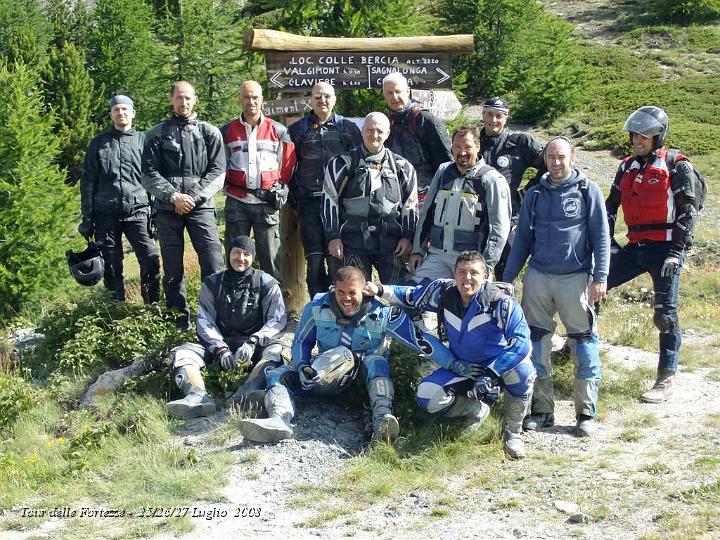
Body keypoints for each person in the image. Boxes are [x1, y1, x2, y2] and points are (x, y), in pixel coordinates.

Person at [238, 265, 450, 444]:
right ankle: (279, 419)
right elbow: (302, 341)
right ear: (333, 289)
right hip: (324, 374)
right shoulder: (316, 307)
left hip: (364, 381)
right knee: (279, 374)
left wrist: (454, 364)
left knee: (376, 360)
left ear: (364, 290)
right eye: (341, 292)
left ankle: (382, 421)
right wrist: (302, 365)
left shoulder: (383, 312)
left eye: (352, 293)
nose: (346, 299)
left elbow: (419, 341)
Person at [367, 251, 535, 459]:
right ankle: (475, 409)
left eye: (474, 272)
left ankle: (513, 431)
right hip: (463, 366)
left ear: (485, 276)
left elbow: (521, 343)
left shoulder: (501, 302)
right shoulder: (443, 292)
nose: (467, 278)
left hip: (498, 366)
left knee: (524, 372)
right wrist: (380, 289)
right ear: (454, 274)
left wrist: (492, 374)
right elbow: (411, 296)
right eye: (462, 272)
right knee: (426, 395)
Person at [503, 136, 610, 437]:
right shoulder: (535, 195)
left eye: (561, 156)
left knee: (584, 342)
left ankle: (585, 413)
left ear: (572, 158)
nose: (556, 162)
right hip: (538, 277)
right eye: (551, 157)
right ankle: (541, 410)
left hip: (575, 277)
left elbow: (601, 237)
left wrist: (600, 277)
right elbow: (522, 238)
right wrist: (508, 278)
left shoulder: (589, 191)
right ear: (546, 160)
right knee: (535, 345)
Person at [606, 106, 701, 404]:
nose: (638, 139)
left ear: (658, 135)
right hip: (636, 246)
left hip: (666, 248)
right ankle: (576, 347)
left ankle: (666, 376)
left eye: (645, 134)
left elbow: (688, 212)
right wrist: (607, 243)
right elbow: (609, 208)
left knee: (665, 314)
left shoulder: (677, 165)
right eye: (635, 134)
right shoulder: (625, 167)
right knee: (592, 287)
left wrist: (677, 252)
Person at [166, 235, 287, 419]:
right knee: (183, 353)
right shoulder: (212, 283)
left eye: (246, 254)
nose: (241, 258)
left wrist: (254, 341)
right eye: (236, 252)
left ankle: (247, 392)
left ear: (253, 258)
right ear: (228, 254)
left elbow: (277, 320)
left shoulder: (266, 283)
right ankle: (197, 396)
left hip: (254, 348)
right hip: (219, 348)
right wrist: (220, 348)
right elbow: (204, 320)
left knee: (277, 352)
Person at [142, 81, 226, 329]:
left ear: (195, 99)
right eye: (179, 97)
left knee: (212, 262)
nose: (184, 102)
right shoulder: (156, 134)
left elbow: (218, 171)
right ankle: (177, 321)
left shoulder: (209, 132)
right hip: (168, 210)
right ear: (171, 100)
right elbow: (148, 173)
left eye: (188, 98)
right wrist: (173, 196)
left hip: (201, 207)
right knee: (172, 266)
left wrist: (192, 197)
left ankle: (214, 317)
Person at [79, 94, 160, 304]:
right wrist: (87, 218)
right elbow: (88, 181)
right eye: (116, 110)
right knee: (112, 266)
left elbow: (154, 177)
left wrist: (157, 213)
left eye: (125, 109)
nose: (121, 113)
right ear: (110, 115)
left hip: (139, 211)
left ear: (133, 113)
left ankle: (152, 309)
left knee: (150, 260)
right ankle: (117, 313)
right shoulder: (98, 143)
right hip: (105, 214)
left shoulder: (146, 141)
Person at [322, 112, 418, 284]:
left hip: (392, 239)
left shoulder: (403, 167)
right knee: (354, 292)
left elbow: (410, 204)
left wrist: (408, 236)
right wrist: (333, 236)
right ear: (361, 131)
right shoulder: (341, 164)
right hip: (352, 238)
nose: (374, 135)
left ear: (388, 134)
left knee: (400, 293)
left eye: (380, 131)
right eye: (369, 130)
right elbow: (329, 201)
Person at [288, 82, 362, 298]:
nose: (322, 101)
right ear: (310, 100)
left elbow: (359, 166)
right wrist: (295, 198)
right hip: (309, 204)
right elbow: (288, 168)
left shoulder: (348, 129)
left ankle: (341, 309)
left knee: (338, 260)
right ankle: (319, 312)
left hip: (340, 205)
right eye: (318, 97)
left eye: (327, 96)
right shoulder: (297, 130)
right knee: (314, 262)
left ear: (334, 99)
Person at [409, 125, 511, 281]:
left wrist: (486, 266)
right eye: (457, 147)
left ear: (478, 147)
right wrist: (417, 250)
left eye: (468, 147)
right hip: (438, 256)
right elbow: (427, 213)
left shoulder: (492, 180)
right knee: (414, 295)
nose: (462, 152)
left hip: (471, 261)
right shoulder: (443, 172)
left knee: (469, 304)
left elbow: (499, 228)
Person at [220, 80, 296, 282]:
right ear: (240, 99)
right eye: (246, 97)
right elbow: (219, 166)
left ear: (262, 99)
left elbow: (288, 164)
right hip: (237, 200)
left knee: (271, 260)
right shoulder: (226, 131)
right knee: (235, 257)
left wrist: (280, 188)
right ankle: (235, 306)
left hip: (267, 203)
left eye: (255, 97)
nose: (251, 101)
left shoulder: (278, 131)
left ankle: (274, 309)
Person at [479, 97, 545, 280]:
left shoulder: (519, 142)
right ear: (483, 116)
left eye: (499, 116)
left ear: (506, 118)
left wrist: (527, 192)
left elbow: (546, 163)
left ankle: (504, 302)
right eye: (490, 115)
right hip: (476, 212)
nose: (494, 120)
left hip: (508, 213)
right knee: (473, 265)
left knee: (505, 266)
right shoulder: (474, 141)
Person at [382, 73, 452, 201]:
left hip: (426, 197)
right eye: (389, 93)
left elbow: (446, 163)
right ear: (384, 95)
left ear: (408, 91)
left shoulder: (426, 120)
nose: (395, 97)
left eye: (398, 91)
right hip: (396, 195)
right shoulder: (386, 122)